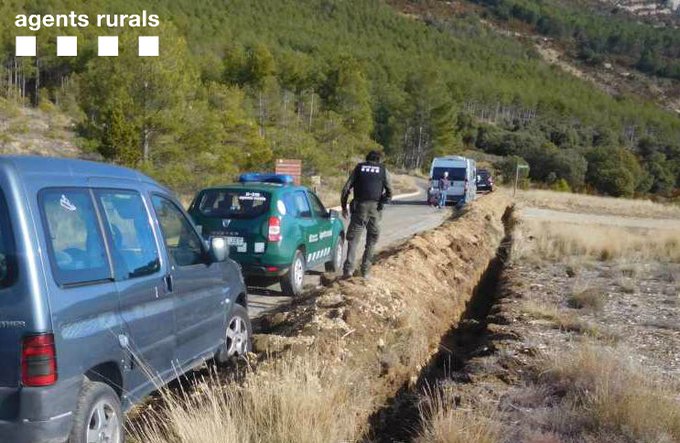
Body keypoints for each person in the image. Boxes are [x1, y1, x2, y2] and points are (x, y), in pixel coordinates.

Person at [341, 150, 393, 278]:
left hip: (359, 208)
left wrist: (344, 206)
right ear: (379, 159)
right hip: (374, 209)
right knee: (372, 240)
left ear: (367, 158)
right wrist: (382, 202)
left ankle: (348, 270)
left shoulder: (359, 168)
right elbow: (390, 191)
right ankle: (365, 271)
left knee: (353, 240)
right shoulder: (383, 170)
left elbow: (346, 189)